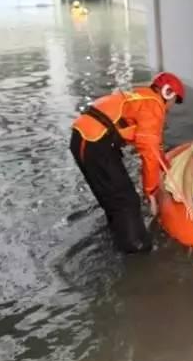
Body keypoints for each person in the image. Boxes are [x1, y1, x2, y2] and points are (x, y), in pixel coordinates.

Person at [70, 72, 184, 253]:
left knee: (113, 196)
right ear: (167, 93)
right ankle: (136, 248)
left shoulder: (142, 97)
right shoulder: (154, 106)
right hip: (94, 142)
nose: (171, 107)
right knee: (127, 200)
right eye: (174, 100)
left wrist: (165, 165)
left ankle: (117, 236)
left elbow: (152, 145)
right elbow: (149, 154)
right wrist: (151, 193)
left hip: (85, 138)